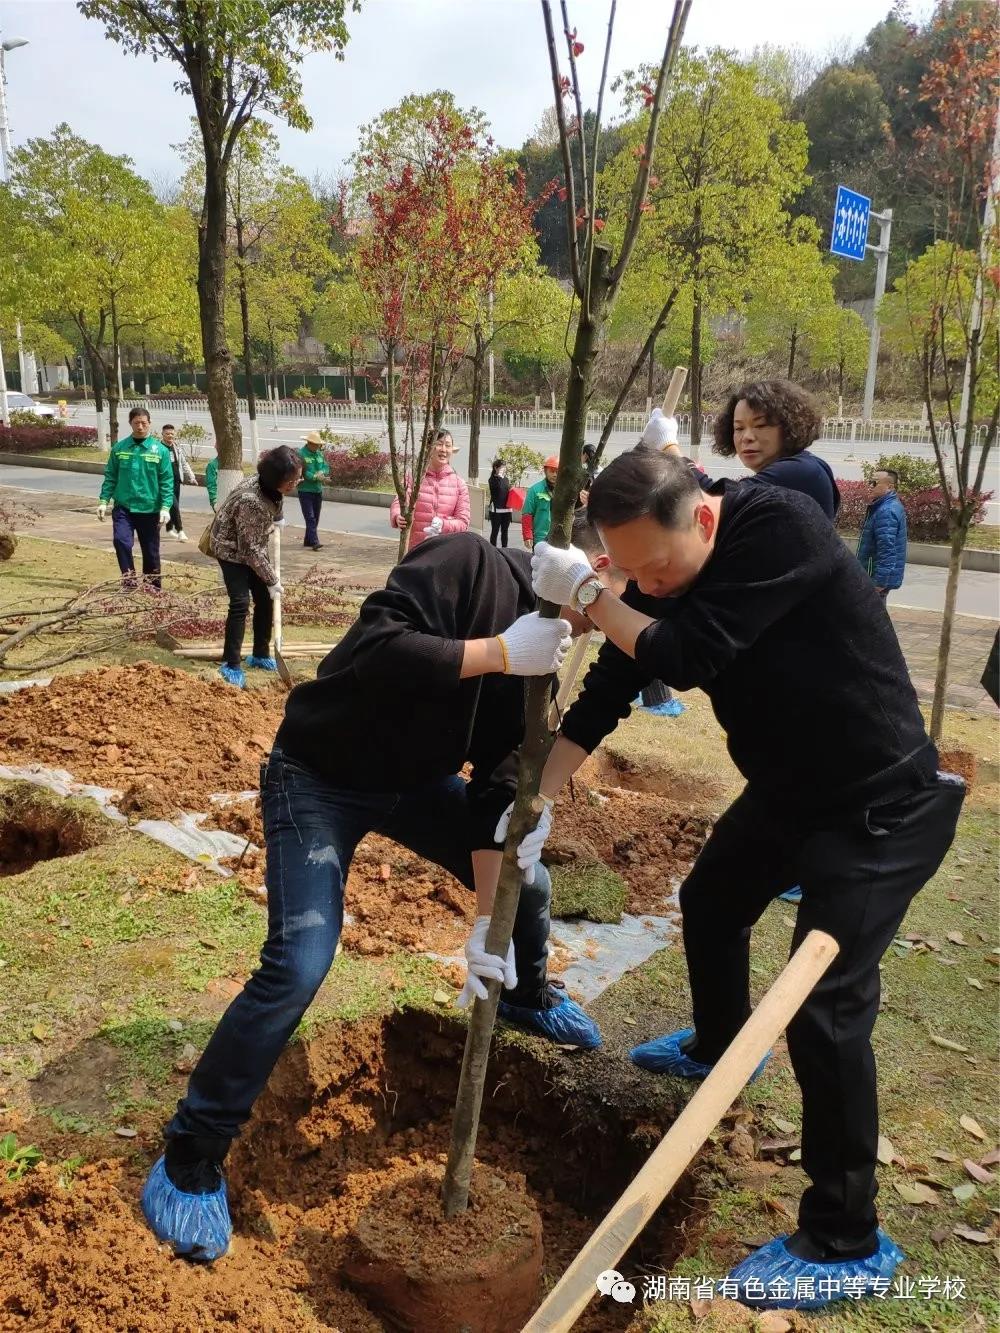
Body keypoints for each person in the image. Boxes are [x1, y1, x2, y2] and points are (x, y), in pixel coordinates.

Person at [520, 451, 964, 1311]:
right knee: (711, 900)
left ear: (706, 521)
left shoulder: (778, 527)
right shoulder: (663, 566)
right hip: (792, 792)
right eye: (631, 569)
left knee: (826, 1010)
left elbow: (684, 655)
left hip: (880, 805)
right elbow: (619, 673)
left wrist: (589, 596)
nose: (647, 583)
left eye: (656, 568)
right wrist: (537, 795)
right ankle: (723, 1045)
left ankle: (844, 1235)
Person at [140, 529, 608, 1263]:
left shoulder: (545, 653)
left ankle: (527, 995)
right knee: (299, 962)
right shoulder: (467, 564)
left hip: (414, 784)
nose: (600, 628)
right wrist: (495, 651)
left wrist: (489, 925)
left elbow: (494, 783)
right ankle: (190, 1155)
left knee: (532, 885)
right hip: (318, 774)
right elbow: (373, 648)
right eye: (607, 606)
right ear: (594, 566)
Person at [210, 447, 302, 688]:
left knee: (264, 598)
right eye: (292, 480)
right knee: (240, 602)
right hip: (230, 550)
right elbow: (250, 551)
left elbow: (277, 498)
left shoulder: (270, 486)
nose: (295, 483)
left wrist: (278, 516)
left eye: (298, 478)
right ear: (276, 479)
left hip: (252, 545)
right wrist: (272, 579)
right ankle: (231, 663)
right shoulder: (251, 501)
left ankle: (260, 653)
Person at [712, 379, 840, 520]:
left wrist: (685, 465)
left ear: (789, 426)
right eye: (739, 428)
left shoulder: (802, 470)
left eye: (760, 425)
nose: (747, 437)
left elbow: (714, 499)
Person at [97, 406, 173, 592]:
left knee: (150, 550)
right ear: (130, 423)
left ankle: (152, 586)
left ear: (149, 423)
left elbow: (167, 481)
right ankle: (129, 582)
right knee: (121, 541)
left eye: (144, 423)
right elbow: (111, 476)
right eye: (136, 423)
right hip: (124, 507)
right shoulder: (120, 449)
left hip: (150, 508)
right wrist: (103, 501)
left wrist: (165, 507)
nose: (140, 426)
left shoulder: (159, 451)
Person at [389, 429, 470, 548]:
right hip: (417, 550)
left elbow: (463, 522)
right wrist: (397, 516)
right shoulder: (413, 478)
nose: (443, 449)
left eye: (448, 445)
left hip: (446, 550)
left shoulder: (459, 484)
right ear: (428, 447)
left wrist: (443, 525)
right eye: (439, 444)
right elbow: (399, 502)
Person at [857, 469, 907, 598]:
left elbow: (887, 550)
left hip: (874, 580)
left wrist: (879, 583)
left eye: (874, 483)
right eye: (869, 482)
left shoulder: (886, 511)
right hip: (873, 577)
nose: (870, 486)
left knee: (870, 617)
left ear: (889, 487)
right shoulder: (882, 506)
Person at [161, 424, 196, 542]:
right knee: (174, 506)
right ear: (163, 434)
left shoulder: (176, 447)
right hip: (165, 483)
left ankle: (169, 528)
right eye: (167, 434)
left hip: (176, 481)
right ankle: (180, 530)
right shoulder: (159, 448)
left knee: (172, 506)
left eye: (171, 433)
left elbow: (184, 463)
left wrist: (191, 477)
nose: (170, 436)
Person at [297, 430, 331, 551]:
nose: (318, 446)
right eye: (316, 444)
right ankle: (315, 542)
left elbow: (326, 467)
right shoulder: (301, 454)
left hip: (317, 490)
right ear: (310, 443)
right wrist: (316, 476)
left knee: (315, 517)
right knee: (310, 517)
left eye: (319, 444)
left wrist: (323, 473)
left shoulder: (319, 454)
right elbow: (303, 472)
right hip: (305, 490)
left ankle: (308, 540)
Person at [521, 456, 559, 550]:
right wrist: (527, 535)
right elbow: (527, 514)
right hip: (540, 539)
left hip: (560, 539)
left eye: (557, 472)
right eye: (552, 471)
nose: (554, 475)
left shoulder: (565, 491)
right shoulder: (534, 490)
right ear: (545, 471)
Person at [488, 457, 513, 547]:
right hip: (496, 510)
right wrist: (499, 477)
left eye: (504, 467)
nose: (504, 469)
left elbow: (507, 492)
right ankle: (492, 551)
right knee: (495, 531)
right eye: (502, 467)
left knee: (505, 531)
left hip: (507, 509)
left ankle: (504, 550)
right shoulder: (492, 480)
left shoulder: (506, 479)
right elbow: (496, 491)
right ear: (496, 468)